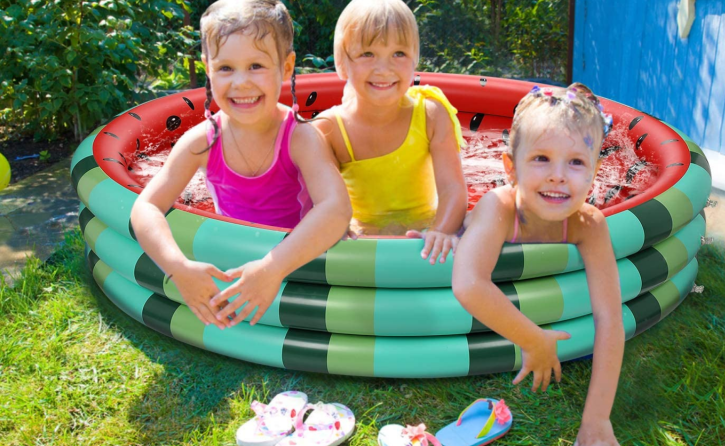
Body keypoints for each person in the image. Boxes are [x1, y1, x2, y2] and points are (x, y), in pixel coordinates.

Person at [130, 0, 351, 330]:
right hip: (238, 258)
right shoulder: (202, 141)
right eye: (226, 68)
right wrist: (178, 267)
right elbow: (145, 207)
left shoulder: (300, 138)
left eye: (256, 66)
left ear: (287, 67)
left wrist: (272, 268)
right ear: (207, 68)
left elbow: (335, 210)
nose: (241, 83)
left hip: (300, 261)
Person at [452, 84, 623, 446]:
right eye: (541, 158)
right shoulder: (498, 208)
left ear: (595, 172)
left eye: (576, 162)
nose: (558, 175)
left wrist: (597, 420)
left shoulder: (588, 225)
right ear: (510, 167)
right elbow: (468, 284)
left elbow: (610, 320)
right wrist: (534, 339)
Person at [314, 0, 467, 265]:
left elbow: (453, 189)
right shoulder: (329, 130)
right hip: (361, 243)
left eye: (398, 53)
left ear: (415, 60)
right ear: (341, 63)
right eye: (367, 54)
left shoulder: (431, 114)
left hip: (426, 233)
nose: (383, 69)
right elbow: (316, 203)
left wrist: (441, 231)